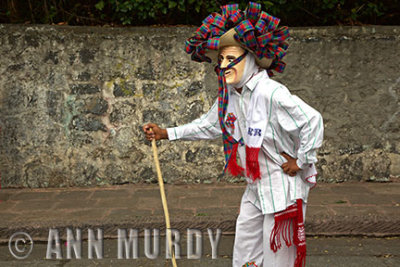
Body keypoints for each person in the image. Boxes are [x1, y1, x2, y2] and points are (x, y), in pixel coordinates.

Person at [143, 2, 323, 267]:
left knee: (278, 258)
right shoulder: (229, 97)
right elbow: (208, 125)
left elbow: (312, 120)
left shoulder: (270, 93)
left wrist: (301, 159)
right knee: (245, 253)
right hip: (255, 186)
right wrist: (166, 133)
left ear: (249, 59)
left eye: (230, 58)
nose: (223, 65)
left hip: (282, 187)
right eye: (221, 60)